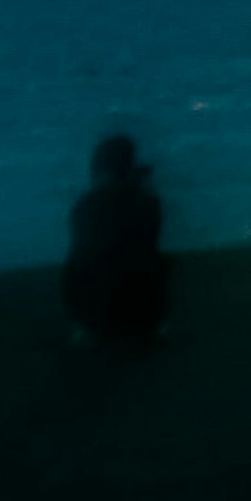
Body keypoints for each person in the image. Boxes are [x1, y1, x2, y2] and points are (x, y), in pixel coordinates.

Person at [62, 129, 170, 357]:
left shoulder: (85, 207)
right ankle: (157, 327)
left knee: (81, 262)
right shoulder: (148, 203)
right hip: (142, 313)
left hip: (96, 315)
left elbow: (78, 263)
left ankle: (82, 331)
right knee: (154, 261)